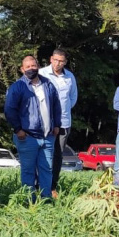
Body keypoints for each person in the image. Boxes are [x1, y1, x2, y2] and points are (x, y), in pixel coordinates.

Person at [4, 55, 61, 200]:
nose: (31, 69)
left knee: (46, 169)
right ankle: (29, 200)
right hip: (27, 136)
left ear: (38, 67)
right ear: (22, 69)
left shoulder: (48, 84)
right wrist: (18, 129)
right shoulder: (17, 87)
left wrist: (57, 125)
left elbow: (56, 105)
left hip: (48, 136)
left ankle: (46, 200)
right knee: (28, 170)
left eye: (33, 66)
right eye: (27, 67)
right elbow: (9, 110)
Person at [39, 48, 77, 197]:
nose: (57, 63)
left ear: (65, 62)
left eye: (61, 61)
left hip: (63, 122)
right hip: (45, 122)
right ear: (51, 59)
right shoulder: (42, 73)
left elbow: (72, 98)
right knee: (43, 154)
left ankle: (52, 187)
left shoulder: (70, 77)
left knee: (57, 155)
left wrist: (62, 111)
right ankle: (39, 185)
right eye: (55, 60)